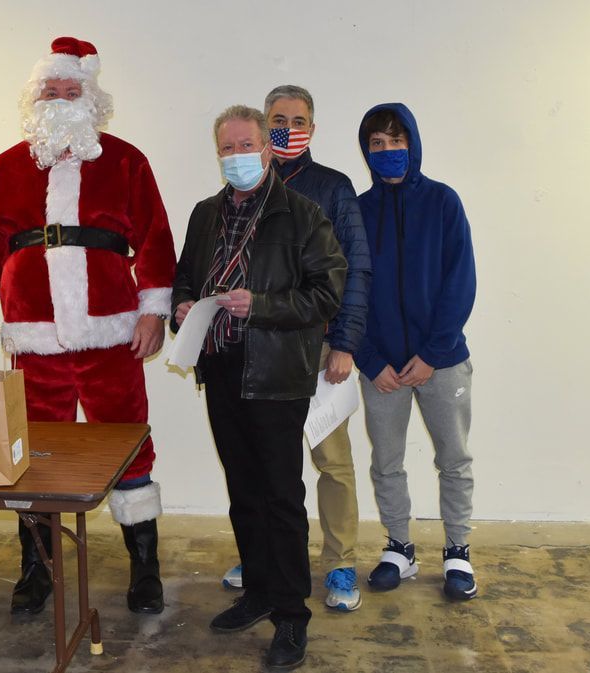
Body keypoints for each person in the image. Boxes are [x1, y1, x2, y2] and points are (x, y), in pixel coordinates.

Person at [0, 37, 177, 616]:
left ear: (90, 98)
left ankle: (145, 568)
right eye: (49, 90)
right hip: (33, 337)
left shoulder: (126, 161)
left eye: (69, 90)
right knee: (35, 454)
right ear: (35, 99)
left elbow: (154, 237)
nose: (58, 98)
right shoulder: (6, 166)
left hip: (112, 335)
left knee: (128, 447)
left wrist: (154, 310)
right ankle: (37, 568)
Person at [173, 105, 346, 670]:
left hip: (276, 375)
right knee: (244, 492)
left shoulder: (303, 214)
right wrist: (182, 307)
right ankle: (258, 593)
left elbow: (327, 293)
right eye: (227, 148)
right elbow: (184, 277)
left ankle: (292, 615)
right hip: (221, 369)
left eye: (246, 146)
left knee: (281, 497)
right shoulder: (205, 214)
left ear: (267, 150)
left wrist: (263, 306)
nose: (237, 157)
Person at [221, 85, 371, 613]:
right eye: (278, 120)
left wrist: (344, 343)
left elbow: (355, 268)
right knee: (265, 463)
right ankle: (263, 559)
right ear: (264, 128)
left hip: (320, 348)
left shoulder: (333, 187)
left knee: (332, 461)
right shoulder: (242, 193)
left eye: (298, 120)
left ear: (313, 126)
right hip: (260, 351)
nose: (288, 129)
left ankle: (340, 561)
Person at [355, 103, 478, 601]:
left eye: (396, 141)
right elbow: (348, 291)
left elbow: (460, 281)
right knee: (386, 461)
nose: (387, 151)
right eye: (377, 143)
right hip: (381, 368)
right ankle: (399, 548)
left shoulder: (443, 202)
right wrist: (370, 360)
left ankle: (458, 550)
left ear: (413, 144)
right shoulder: (358, 212)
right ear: (366, 151)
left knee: (454, 459)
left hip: (442, 363)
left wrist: (432, 353)